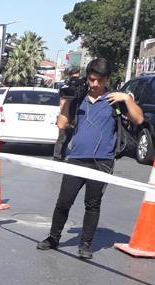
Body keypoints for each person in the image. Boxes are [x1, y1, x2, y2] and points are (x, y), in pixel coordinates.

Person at [37, 58, 143, 259]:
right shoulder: (79, 98)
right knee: (63, 202)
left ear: (107, 79)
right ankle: (53, 237)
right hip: (76, 158)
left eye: (99, 81)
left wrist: (128, 99)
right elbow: (62, 124)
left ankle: (85, 244)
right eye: (91, 79)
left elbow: (138, 119)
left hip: (102, 161)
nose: (94, 84)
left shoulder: (115, 100)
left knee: (92, 204)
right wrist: (67, 101)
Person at [53, 68, 81, 161]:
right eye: (73, 77)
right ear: (70, 76)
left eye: (77, 77)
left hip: (74, 115)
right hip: (65, 115)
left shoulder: (80, 89)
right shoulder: (65, 88)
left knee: (69, 137)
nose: (75, 80)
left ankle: (63, 154)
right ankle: (57, 155)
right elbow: (62, 102)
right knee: (62, 137)